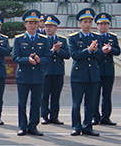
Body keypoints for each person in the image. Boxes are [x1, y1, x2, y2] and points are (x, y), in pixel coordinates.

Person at [13, 10, 51, 136]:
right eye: (30, 23)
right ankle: (22, 126)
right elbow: (15, 57)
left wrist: (40, 61)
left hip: (38, 75)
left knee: (36, 102)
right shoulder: (19, 39)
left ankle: (33, 126)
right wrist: (26, 60)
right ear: (25, 25)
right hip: (23, 75)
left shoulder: (44, 39)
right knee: (22, 102)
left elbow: (48, 57)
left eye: (35, 23)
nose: (33, 25)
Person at [68, 7, 101, 137]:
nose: (87, 24)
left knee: (91, 103)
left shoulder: (96, 37)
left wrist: (94, 50)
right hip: (79, 75)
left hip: (93, 75)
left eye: (89, 21)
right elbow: (75, 55)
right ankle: (76, 126)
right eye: (85, 21)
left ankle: (87, 126)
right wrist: (88, 50)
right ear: (80, 23)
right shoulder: (74, 38)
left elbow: (100, 55)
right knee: (77, 103)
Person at [40, 15, 70, 126]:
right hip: (45, 71)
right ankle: (43, 115)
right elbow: (40, 54)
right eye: (46, 26)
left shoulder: (61, 40)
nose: (48, 28)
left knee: (56, 95)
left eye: (51, 26)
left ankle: (54, 116)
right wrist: (52, 50)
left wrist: (58, 51)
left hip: (57, 71)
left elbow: (67, 55)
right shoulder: (41, 39)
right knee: (44, 95)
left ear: (56, 27)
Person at [93, 12, 120, 126]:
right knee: (95, 94)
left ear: (108, 25)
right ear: (97, 26)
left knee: (107, 95)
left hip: (108, 69)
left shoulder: (112, 37)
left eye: (105, 24)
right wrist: (101, 50)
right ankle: (95, 116)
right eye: (101, 24)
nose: (103, 26)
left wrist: (111, 49)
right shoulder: (94, 37)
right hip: (97, 69)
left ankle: (106, 117)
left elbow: (118, 51)